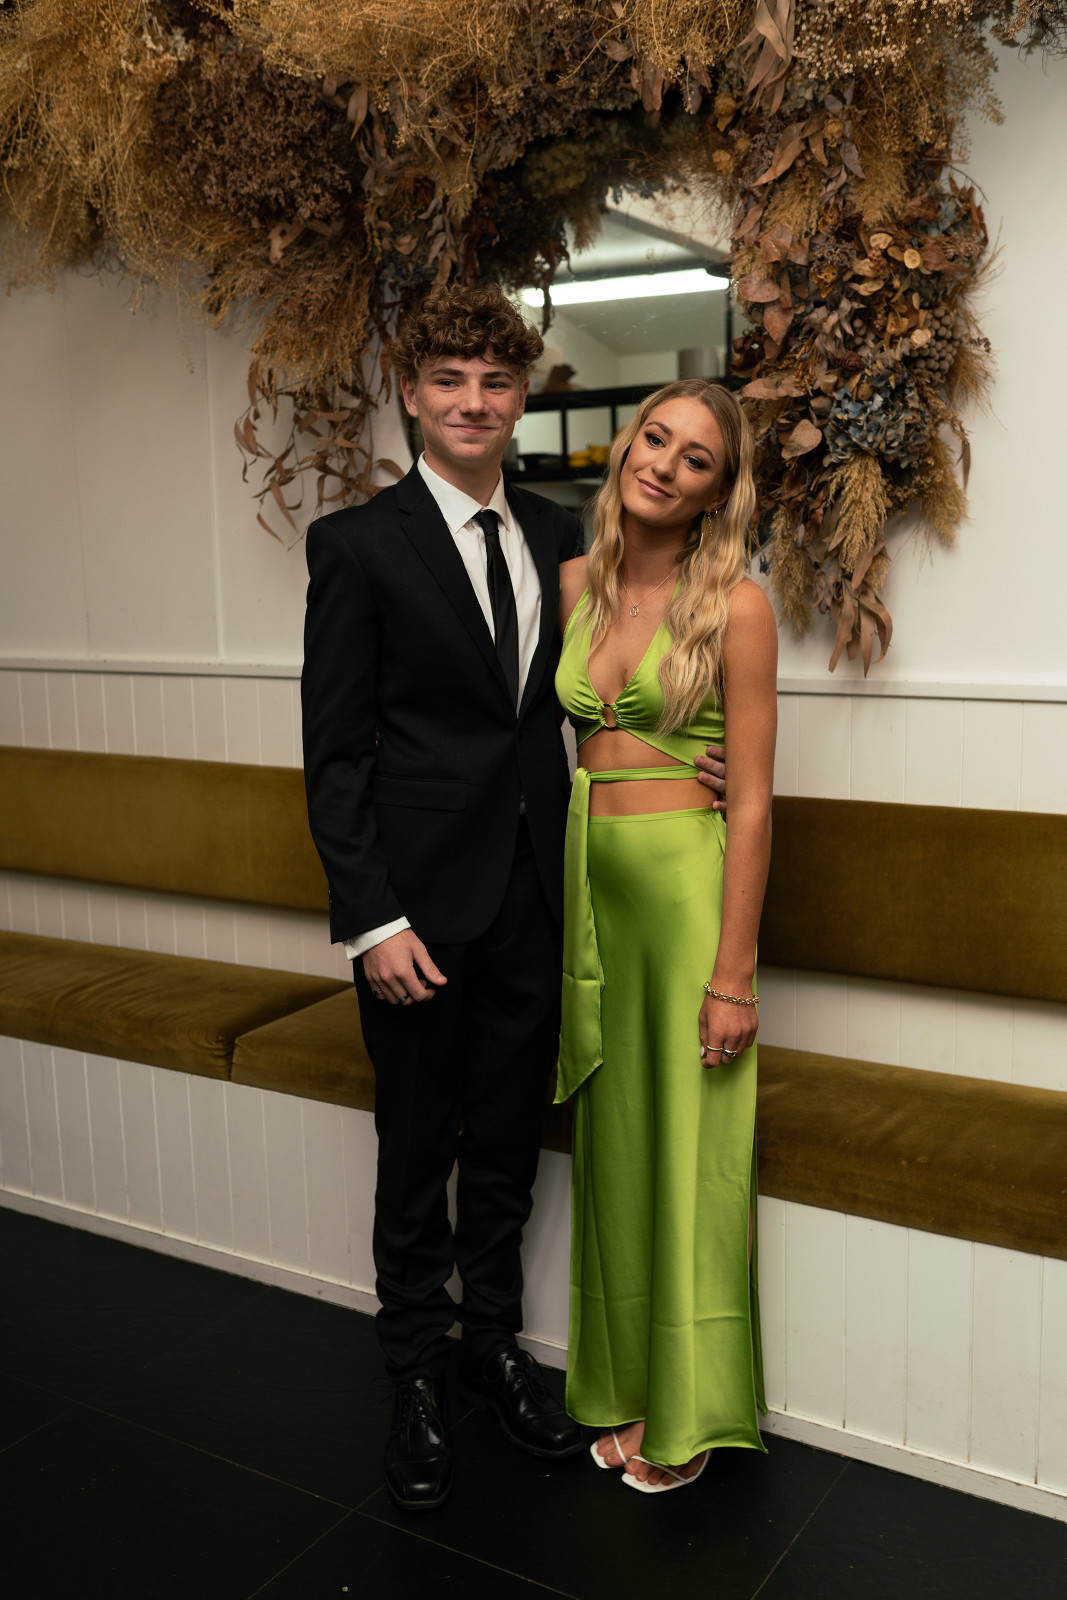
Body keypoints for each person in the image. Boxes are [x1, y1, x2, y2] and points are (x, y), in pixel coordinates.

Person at [301, 284, 728, 1511]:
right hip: (417, 917)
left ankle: (491, 1344)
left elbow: (609, 687)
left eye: (494, 382)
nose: (472, 401)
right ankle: (413, 1373)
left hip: (543, 898)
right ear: (410, 393)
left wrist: (686, 760)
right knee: (414, 1149)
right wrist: (372, 919)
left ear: (521, 395)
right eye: (447, 380)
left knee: (502, 1145)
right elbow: (335, 754)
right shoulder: (357, 545)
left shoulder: (562, 537)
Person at [554, 378, 777, 1494]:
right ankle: (627, 1385)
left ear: (715, 494)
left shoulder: (735, 604)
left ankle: (687, 1418)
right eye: (656, 439)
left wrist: (732, 975)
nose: (664, 465)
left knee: (692, 1158)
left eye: (696, 460)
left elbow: (754, 800)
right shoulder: (573, 584)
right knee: (619, 1150)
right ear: (626, 445)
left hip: (687, 902)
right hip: (591, 898)